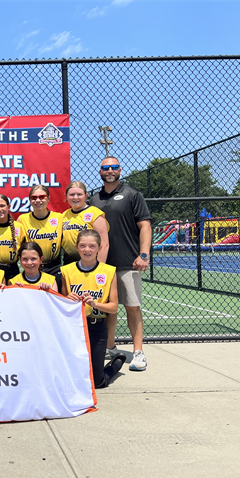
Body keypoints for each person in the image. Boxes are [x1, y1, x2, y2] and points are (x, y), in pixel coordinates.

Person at [88, 156, 153, 372]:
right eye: (105, 167)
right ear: (100, 171)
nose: (109, 171)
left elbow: (144, 225)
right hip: (101, 265)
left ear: (120, 170)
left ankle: (138, 352)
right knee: (109, 308)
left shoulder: (132, 194)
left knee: (132, 307)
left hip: (128, 262)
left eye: (114, 167)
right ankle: (109, 346)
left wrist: (143, 254)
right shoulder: (93, 199)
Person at [60, 229, 126, 388]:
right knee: (72, 378)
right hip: (74, 328)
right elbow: (61, 303)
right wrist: (67, 300)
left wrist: (95, 304)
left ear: (99, 247)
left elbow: (113, 308)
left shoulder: (109, 271)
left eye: (92, 246)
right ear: (76, 247)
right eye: (82, 246)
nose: (87, 250)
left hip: (97, 327)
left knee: (97, 382)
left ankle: (117, 362)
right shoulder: (66, 271)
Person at [16, 185, 64, 290]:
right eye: (34, 197)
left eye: (42, 197)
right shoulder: (22, 219)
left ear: (48, 198)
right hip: (32, 268)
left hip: (54, 266)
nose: (38, 200)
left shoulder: (59, 218)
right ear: (30, 200)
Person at [61, 181, 110, 266]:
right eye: (72, 195)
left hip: (91, 263)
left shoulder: (95, 213)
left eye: (79, 194)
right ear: (66, 197)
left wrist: (99, 267)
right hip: (69, 265)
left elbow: (104, 244)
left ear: (86, 195)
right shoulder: (64, 215)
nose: (75, 197)